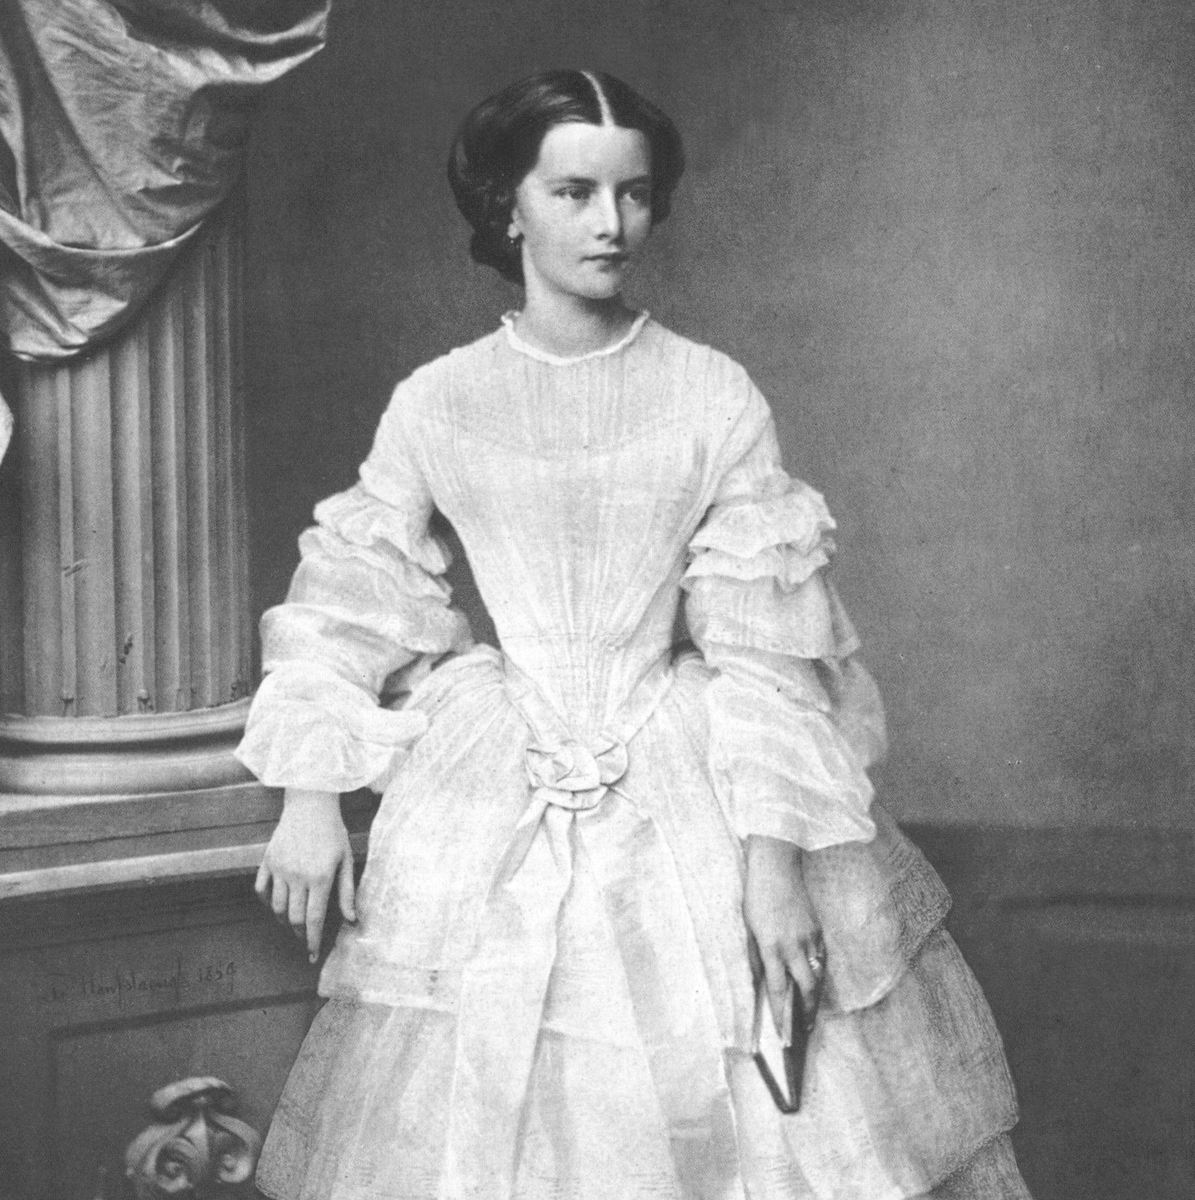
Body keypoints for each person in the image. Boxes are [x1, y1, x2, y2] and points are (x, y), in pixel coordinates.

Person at [238, 68, 1033, 1200]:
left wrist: (770, 873)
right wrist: (311, 797)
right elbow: (345, 600)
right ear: (507, 206)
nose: (610, 223)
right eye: (573, 192)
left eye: (634, 193)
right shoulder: (438, 400)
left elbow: (764, 651)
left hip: (688, 785)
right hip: (493, 782)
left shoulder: (712, 393)